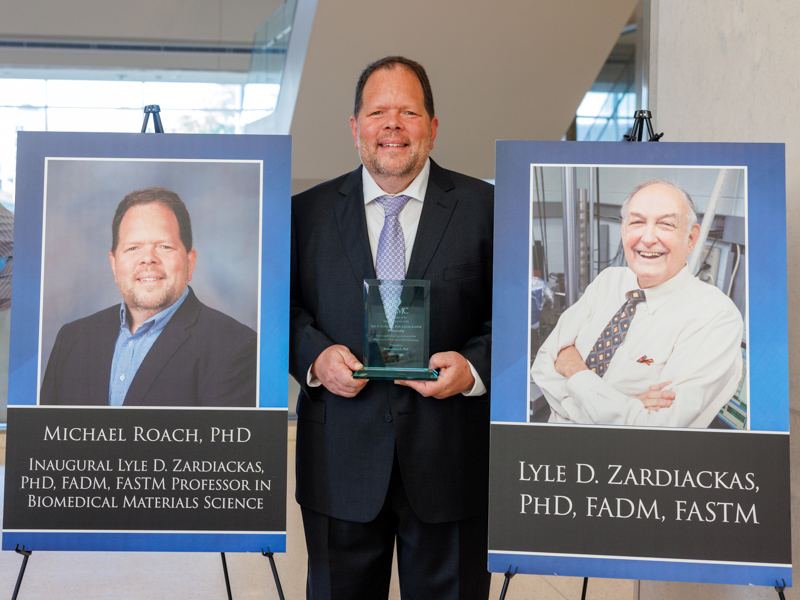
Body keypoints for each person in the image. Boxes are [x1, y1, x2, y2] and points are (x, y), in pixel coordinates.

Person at [290, 57, 493, 599]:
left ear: (432, 126)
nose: (393, 125)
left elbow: (521, 316)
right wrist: (314, 358)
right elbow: (282, 310)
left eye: (408, 111)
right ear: (355, 128)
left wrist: (473, 368)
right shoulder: (303, 214)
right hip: (339, 460)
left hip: (451, 460)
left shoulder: (487, 207)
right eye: (378, 112)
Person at [531, 179, 743, 428]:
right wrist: (617, 407)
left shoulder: (716, 317)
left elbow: (656, 428)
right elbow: (544, 363)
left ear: (691, 239)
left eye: (666, 224)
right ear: (624, 230)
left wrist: (574, 369)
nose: (649, 237)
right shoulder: (608, 281)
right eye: (637, 222)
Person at [40, 187, 257, 407]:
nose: (148, 259)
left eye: (164, 246)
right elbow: (46, 437)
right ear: (114, 264)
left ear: (190, 262)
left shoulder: (235, 346)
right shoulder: (71, 340)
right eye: (133, 247)